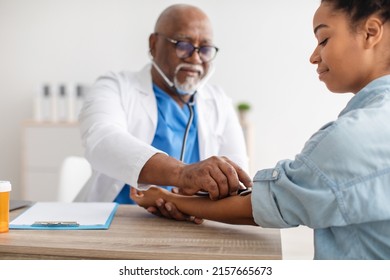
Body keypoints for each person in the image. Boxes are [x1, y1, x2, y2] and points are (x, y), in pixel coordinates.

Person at [131, 0, 390, 259]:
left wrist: (166, 197)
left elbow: (267, 202)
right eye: (183, 45)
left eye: (323, 40)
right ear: (153, 45)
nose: (313, 56)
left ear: (370, 32)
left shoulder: (356, 135)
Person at [75, 4, 252, 219]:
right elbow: (102, 140)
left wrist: (187, 202)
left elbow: (236, 175)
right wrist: (183, 174)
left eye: (204, 49)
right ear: (154, 44)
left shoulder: (219, 102)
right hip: (115, 219)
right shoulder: (115, 86)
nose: (195, 58)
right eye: (183, 45)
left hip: (191, 224)